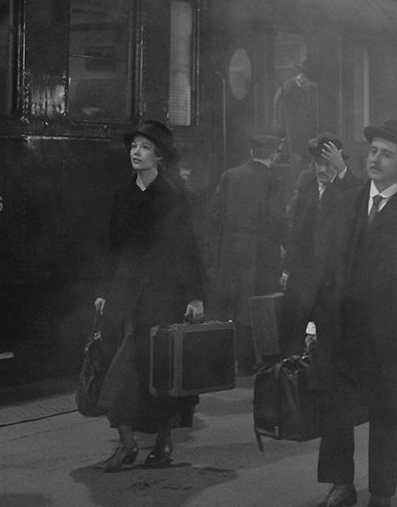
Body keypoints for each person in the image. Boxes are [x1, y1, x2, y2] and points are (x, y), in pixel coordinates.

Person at [303, 119, 397, 507]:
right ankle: (341, 485)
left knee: (386, 417)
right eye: (372, 151)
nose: (375, 160)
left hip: (389, 335)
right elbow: (325, 267)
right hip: (340, 329)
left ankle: (381, 493)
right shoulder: (344, 202)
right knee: (335, 412)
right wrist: (314, 320)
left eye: (387, 154)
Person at [94, 119, 205, 472]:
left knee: (158, 374)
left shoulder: (172, 196)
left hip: (162, 295)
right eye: (133, 146)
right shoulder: (122, 195)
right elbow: (113, 246)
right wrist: (103, 291)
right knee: (119, 370)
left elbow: (187, 247)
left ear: (159, 156)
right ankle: (128, 444)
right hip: (125, 294)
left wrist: (195, 296)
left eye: (144, 147)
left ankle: (163, 442)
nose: (136, 152)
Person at [207, 131, 288, 375]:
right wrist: (287, 247)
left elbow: (215, 214)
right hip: (260, 253)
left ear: (252, 153)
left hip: (230, 250)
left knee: (230, 304)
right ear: (273, 155)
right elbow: (277, 219)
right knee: (257, 305)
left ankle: (227, 362)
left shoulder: (230, 175)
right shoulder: (275, 179)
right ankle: (254, 361)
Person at [279, 132, 361, 356]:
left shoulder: (349, 190)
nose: (321, 170)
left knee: (328, 332)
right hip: (304, 273)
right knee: (297, 327)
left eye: (327, 164)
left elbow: (359, 195)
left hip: (333, 274)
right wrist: (287, 268)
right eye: (317, 164)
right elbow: (297, 232)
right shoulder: (307, 189)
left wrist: (342, 168)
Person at [273, 60, 319, 164]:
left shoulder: (301, 88)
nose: (311, 86)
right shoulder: (288, 88)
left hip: (300, 136)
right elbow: (283, 119)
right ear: (302, 78)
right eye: (310, 84)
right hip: (291, 139)